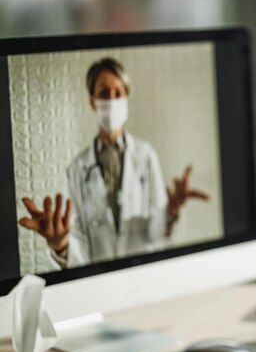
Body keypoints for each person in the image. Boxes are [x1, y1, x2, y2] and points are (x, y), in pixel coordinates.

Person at [19, 57, 209, 269]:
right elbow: (73, 238)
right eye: (103, 94)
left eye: (118, 93)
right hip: (99, 283)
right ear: (92, 101)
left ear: (126, 97)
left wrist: (171, 213)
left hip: (143, 275)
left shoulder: (145, 155)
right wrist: (60, 245)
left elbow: (156, 232)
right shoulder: (76, 170)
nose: (111, 100)